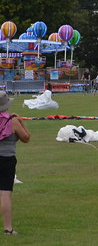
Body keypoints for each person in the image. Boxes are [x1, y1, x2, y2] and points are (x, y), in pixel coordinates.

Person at [0, 93, 30, 235]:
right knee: (5, 194)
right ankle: (8, 228)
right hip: (7, 159)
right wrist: (21, 121)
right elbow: (26, 138)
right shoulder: (13, 121)